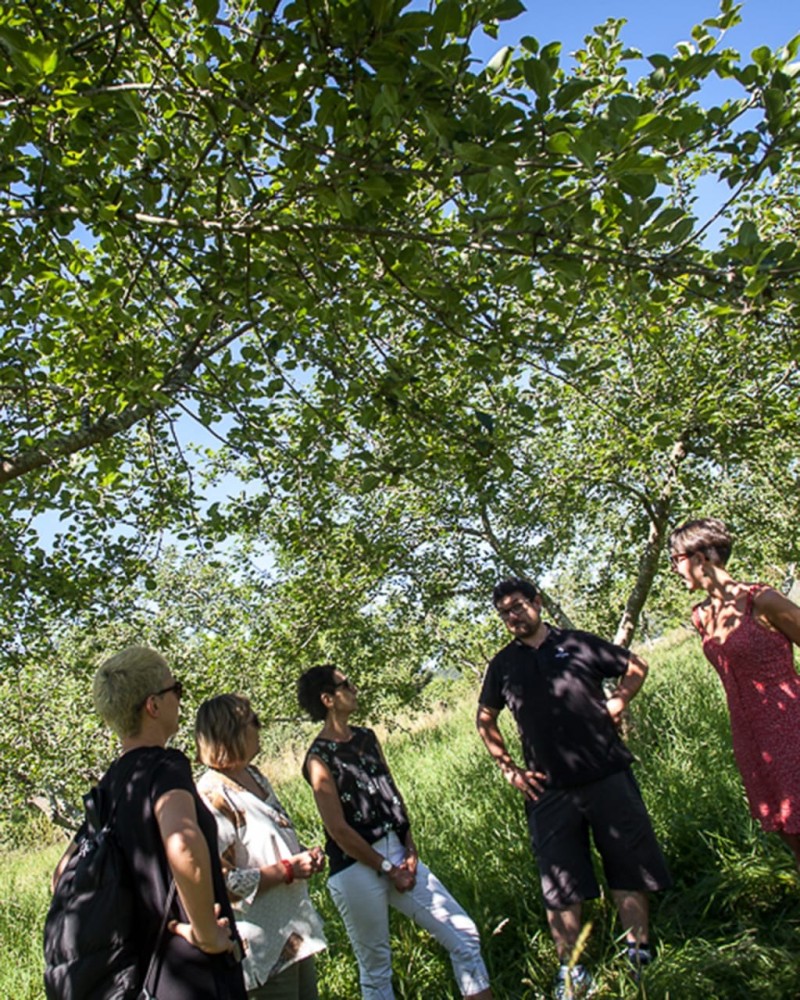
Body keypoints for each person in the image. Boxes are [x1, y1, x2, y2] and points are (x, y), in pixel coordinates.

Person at [476, 579, 671, 1000]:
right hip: (548, 789)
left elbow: (636, 665)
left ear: (537, 603)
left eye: (519, 606)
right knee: (559, 880)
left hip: (606, 772)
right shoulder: (503, 665)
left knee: (628, 862)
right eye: (505, 612)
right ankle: (571, 971)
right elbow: (485, 718)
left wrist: (619, 700)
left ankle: (638, 953)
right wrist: (508, 769)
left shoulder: (578, 644)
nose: (513, 616)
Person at [52, 645, 246, 999]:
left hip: (141, 976)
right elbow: (183, 843)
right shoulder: (165, 767)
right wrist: (204, 931)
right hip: (193, 973)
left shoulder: (108, 786)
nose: (180, 700)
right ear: (153, 706)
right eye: (177, 690)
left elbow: (61, 876)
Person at [298, 663, 494, 1000]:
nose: (355, 688)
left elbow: (391, 794)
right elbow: (338, 830)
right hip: (356, 867)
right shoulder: (318, 759)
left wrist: (410, 848)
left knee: (464, 935)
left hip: (398, 854)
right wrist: (387, 868)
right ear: (328, 699)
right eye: (347, 683)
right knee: (376, 971)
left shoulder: (366, 738)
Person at [669, 517, 800, 868]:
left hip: (789, 723)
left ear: (702, 557)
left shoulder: (761, 600)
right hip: (748, 734)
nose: (674, 569)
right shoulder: (701, 616)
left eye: (676, 559)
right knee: (785, 825)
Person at [195, 694, 327, 999]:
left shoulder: (254, 776)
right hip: (262, 946)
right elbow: (222, 882)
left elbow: (266, 839)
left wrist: (303, 855)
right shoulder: (213, 795)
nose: (260, 726)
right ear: (232, 731)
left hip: (295, 932)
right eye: (253, 721)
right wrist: (288, 869)